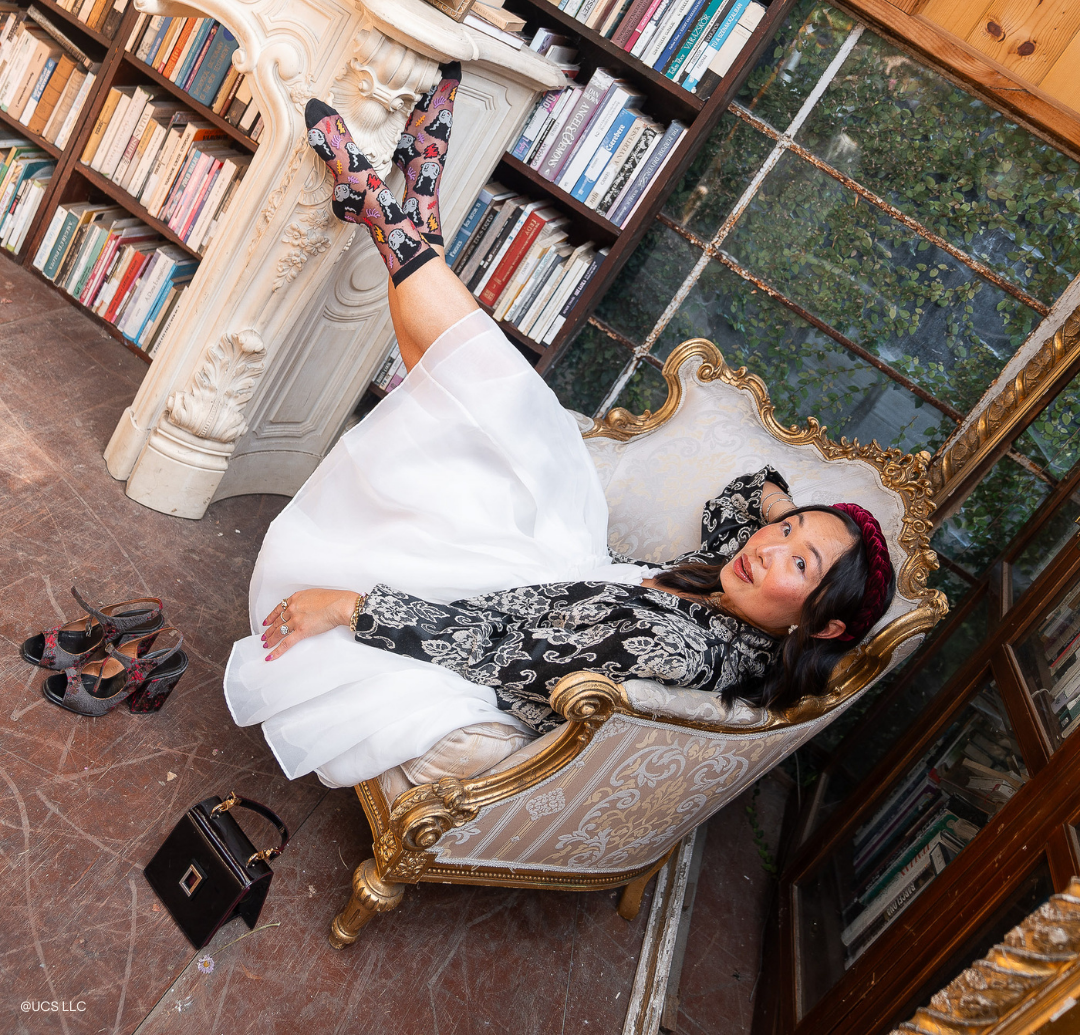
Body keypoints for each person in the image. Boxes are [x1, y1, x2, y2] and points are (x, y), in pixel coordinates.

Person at [223, 65, 895, 787]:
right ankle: (404, 226)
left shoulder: (691, 650)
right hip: (561, 565)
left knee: (495, 413)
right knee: (496, 409)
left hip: (497, 626)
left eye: (801, 565)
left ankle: (398, 223)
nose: (771, 548)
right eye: (787, 534)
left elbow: (505, 649)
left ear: (824, 626)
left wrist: (349, 608)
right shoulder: (740, 591)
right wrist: (800, 519)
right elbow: (748, 491)